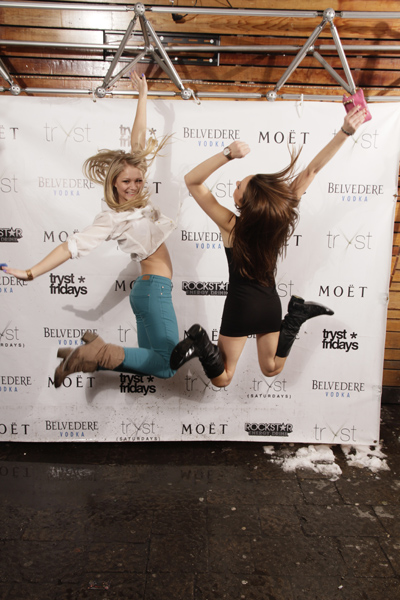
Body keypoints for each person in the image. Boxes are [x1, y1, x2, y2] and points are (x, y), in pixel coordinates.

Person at [1, 73, 179, 387]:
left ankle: (85, 355)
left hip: (147, 291)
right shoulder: (111, 217)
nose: (134, 186)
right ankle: (96, 352)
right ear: (114, 183)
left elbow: (138, 143)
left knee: (154, 362)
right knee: (167, 365)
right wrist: (31, 272)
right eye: (126, 182)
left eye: (138, 180)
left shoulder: (139, 201)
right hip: (155, 291)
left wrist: (143, 96)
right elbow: (69, 247)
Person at [170, 105, 367, 387]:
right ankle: (295, 317)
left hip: (239, 306)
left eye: (240, 185)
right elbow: (311, 170)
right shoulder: (279, 220)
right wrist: (345, 132)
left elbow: (192, 181)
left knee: (223, 378)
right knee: (272, 368)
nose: (237, 182)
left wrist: (227, 154)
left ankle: (201, 342)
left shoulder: (230, 225)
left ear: (242, 202)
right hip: (268, 305)